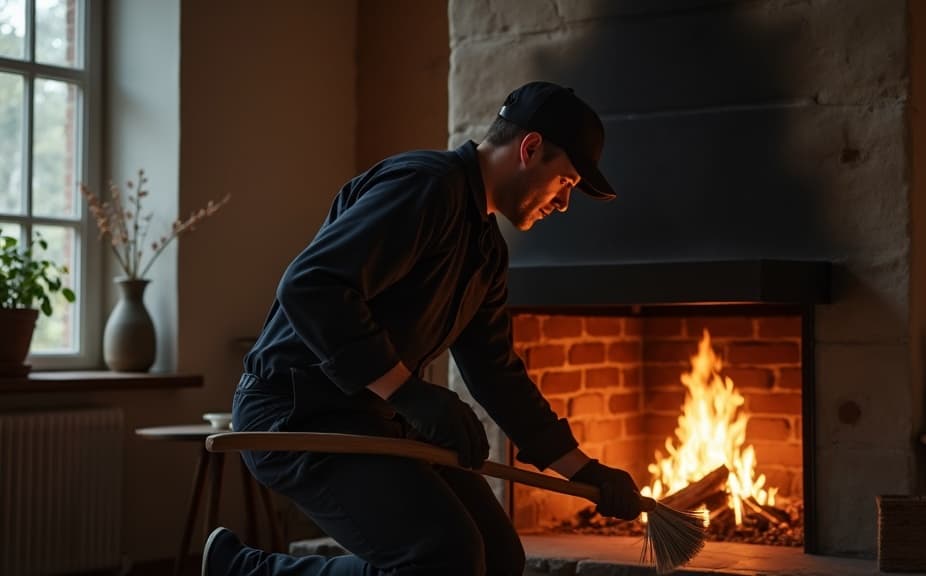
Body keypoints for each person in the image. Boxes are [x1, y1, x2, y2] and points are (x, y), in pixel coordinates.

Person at [203, 81, 643, 576]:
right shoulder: (425, 186)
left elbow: (495, 371)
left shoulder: (487, 251)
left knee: (500, 559)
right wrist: (408, 393)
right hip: (296, 413)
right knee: (444, 559)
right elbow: (311, 286)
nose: (564, 203)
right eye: (565, 181)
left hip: (373, 419)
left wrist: (580, 469)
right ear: (531, 148)